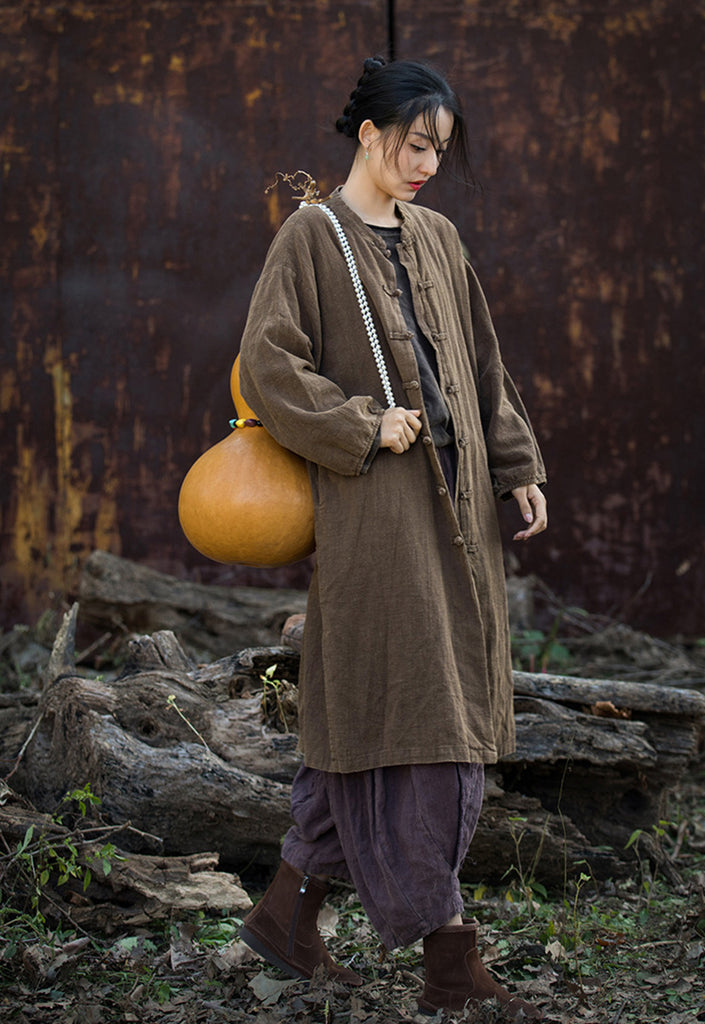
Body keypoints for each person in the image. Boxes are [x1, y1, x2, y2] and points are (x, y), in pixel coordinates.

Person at [236, 56, 547, 1020]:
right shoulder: (310, 236)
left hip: (459, 510)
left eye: (439, 152)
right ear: (368, 134)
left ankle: (287, 915)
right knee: (429, 717)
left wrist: (517, 464)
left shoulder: (439, 237)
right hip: (376, 514)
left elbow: (483, 362)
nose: (426, 166)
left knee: (384, 714)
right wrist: (361, 424)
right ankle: (450, 957)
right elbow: (268, 364)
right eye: (414, 145)